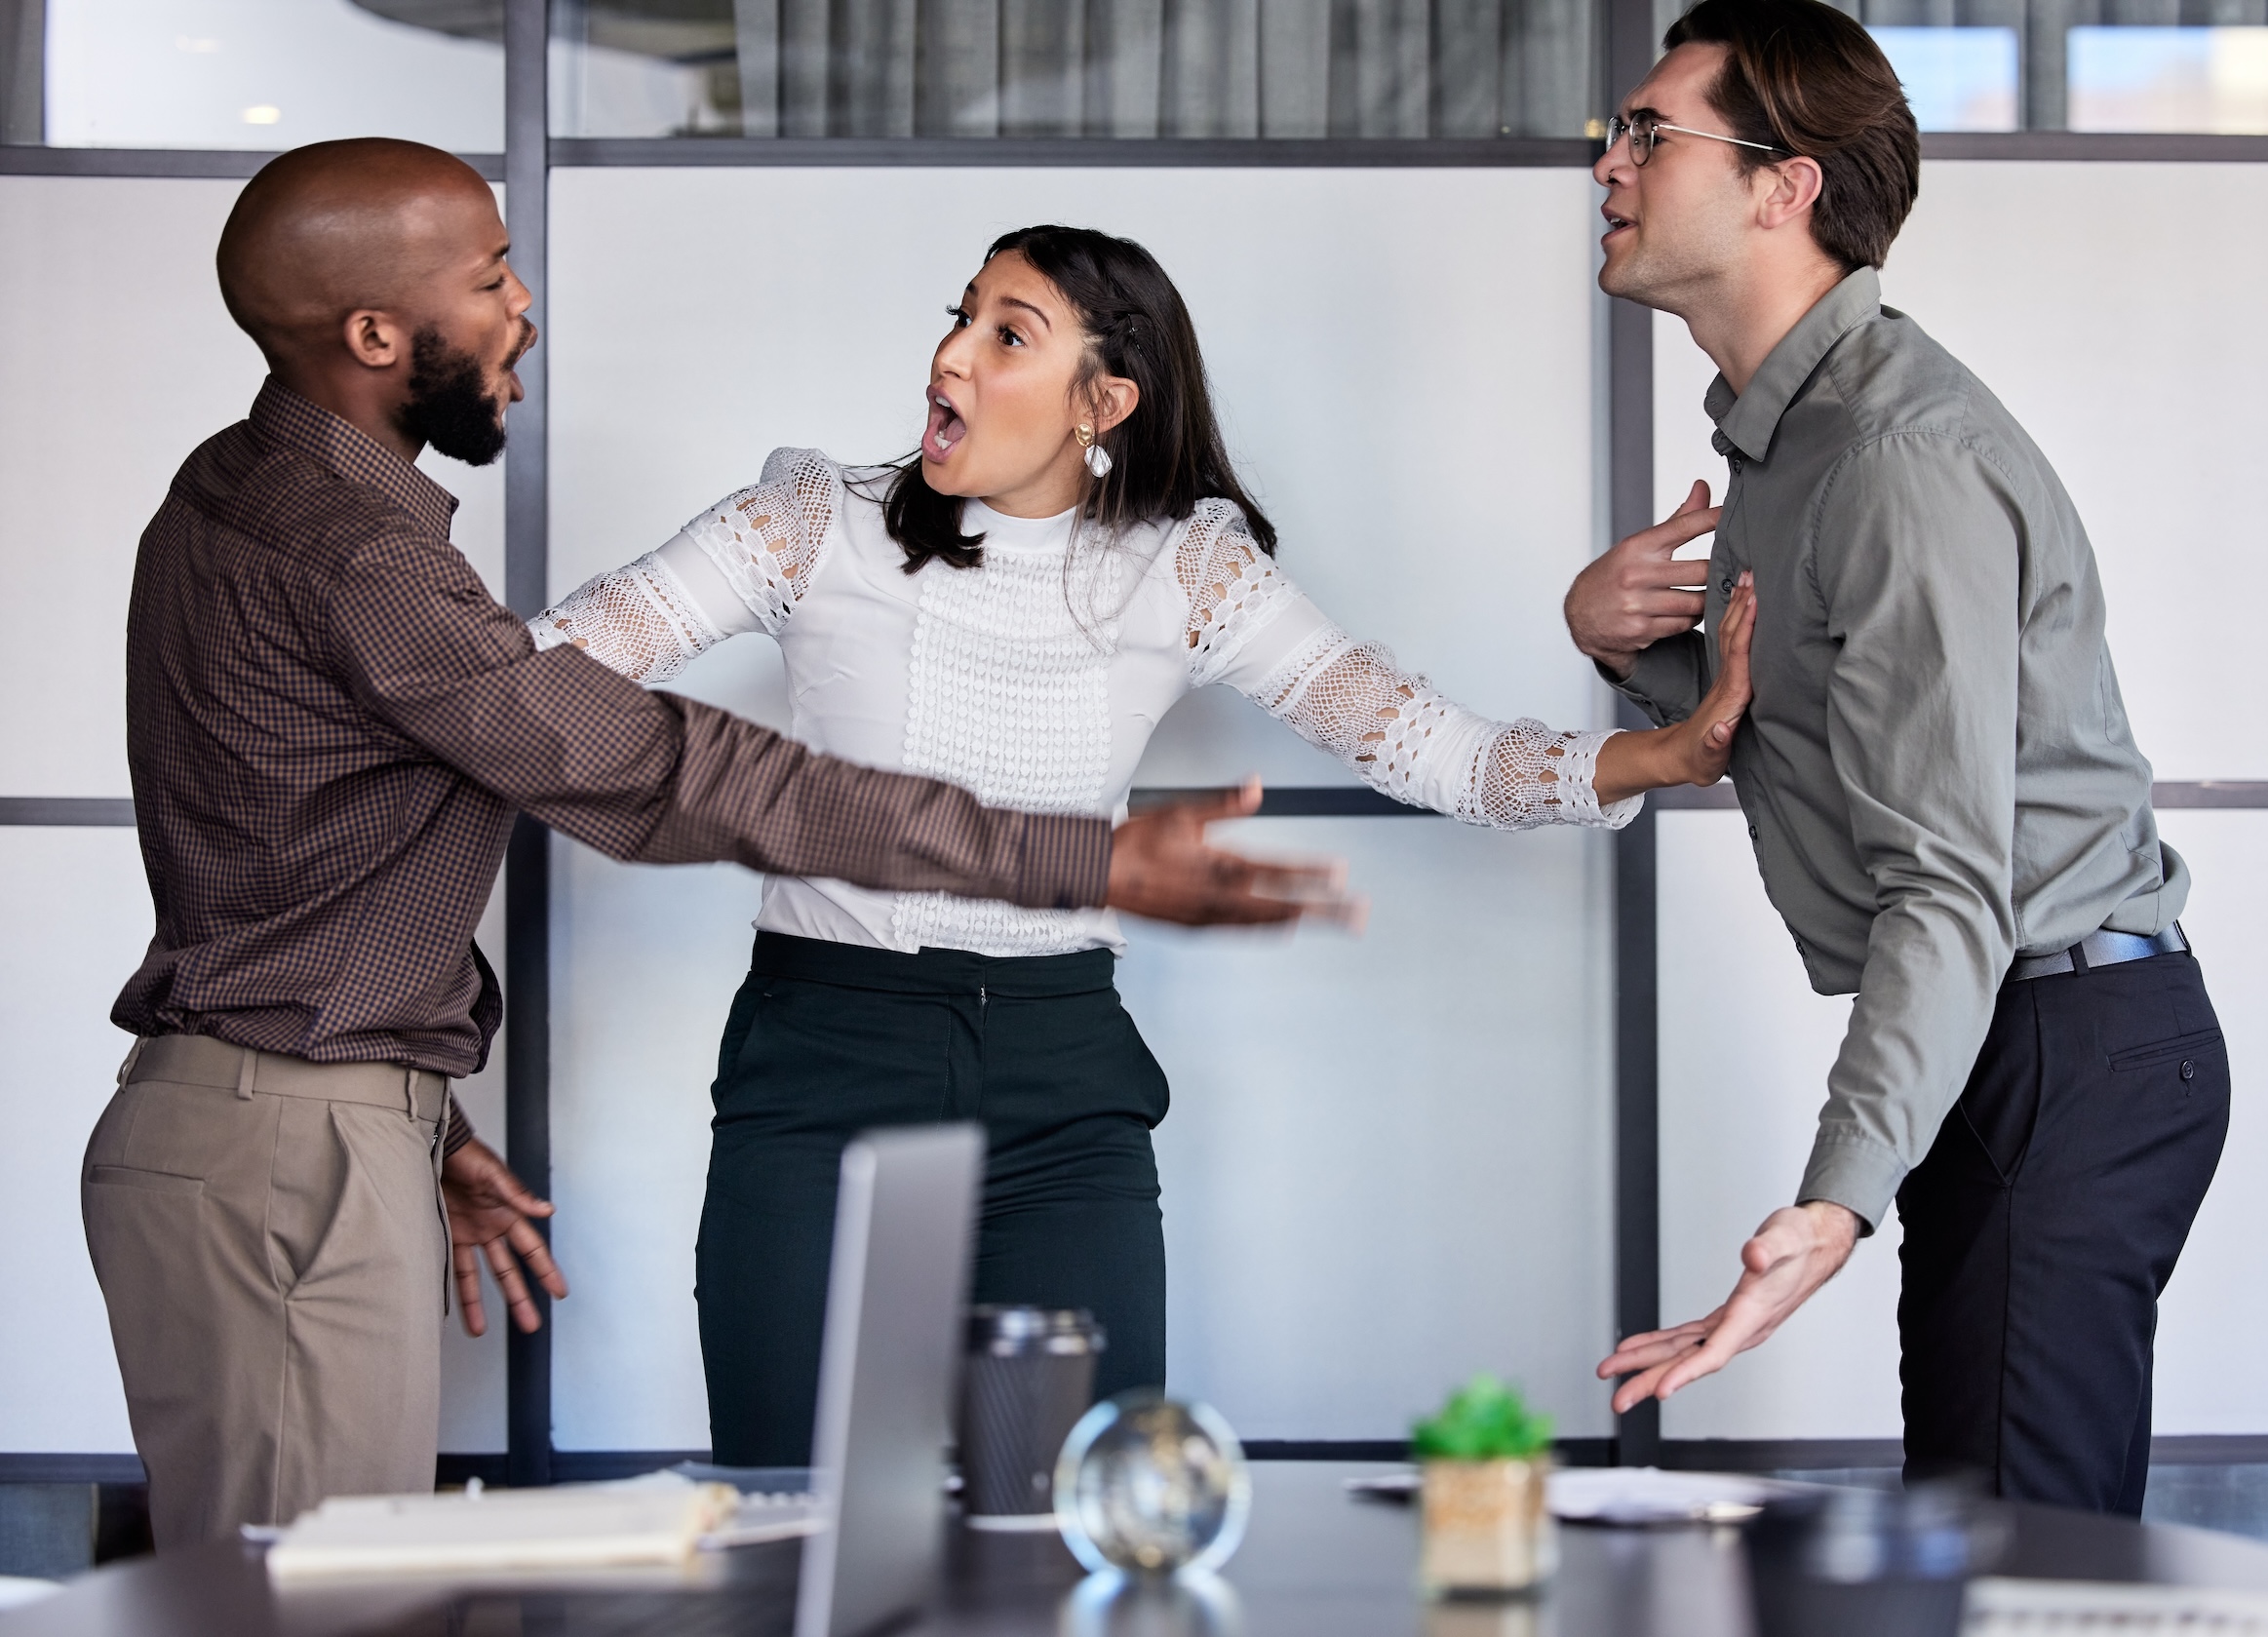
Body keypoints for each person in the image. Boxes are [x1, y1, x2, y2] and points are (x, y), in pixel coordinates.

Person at [89, 140, 1343, 1549]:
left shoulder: (248, 490)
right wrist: (1087, 859)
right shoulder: (357, 555)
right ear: (378, 334)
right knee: (308, 1590)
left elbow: (297, 873)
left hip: (301, 1115)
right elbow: (666, 768)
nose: (526, 311)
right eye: (493, 276)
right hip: (292, 1137)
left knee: (316, 1576)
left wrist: (411, 1114)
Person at [531, 222, 1761, 1465]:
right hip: (821, 1063)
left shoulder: (1186, 570)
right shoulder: (810, 521)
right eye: (957, 318)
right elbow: (530, 686)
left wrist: (1666, 751)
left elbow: (1428, 745)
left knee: (1083, 1509)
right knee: (787, 1506)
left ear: (1103, 400)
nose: (949, 359)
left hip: (1063, 1087)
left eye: (1006, 334)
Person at [1567, 0, 2224, 1515]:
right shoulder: (1793, 447)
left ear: (1780, 185)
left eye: (1648, 133)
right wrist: (1616, 637)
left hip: (2063, 1033)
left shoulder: (1890, 458)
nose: (1609, 164)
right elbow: (1790, 729)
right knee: (1991, 1528)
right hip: (2015, 1031)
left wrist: (1833, 1202)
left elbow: (1948, 879)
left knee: (2022, 1565)